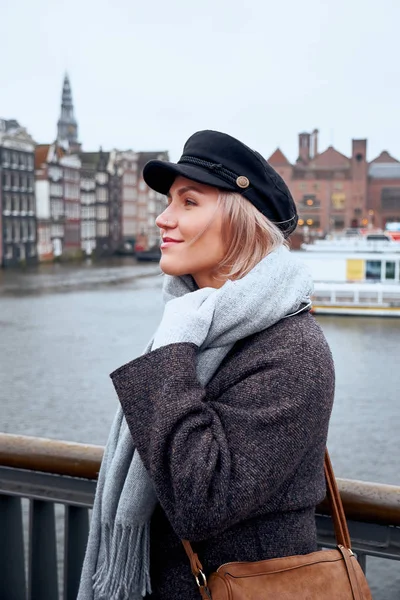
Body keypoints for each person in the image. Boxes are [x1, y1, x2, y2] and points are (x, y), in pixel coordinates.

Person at [78, 130, 335, 600]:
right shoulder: (192, 322)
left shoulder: (293, 351)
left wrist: (169, 354)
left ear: (241, 223)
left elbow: (203, 501)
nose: (163, 218)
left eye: (188, 202)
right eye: (168, 202)